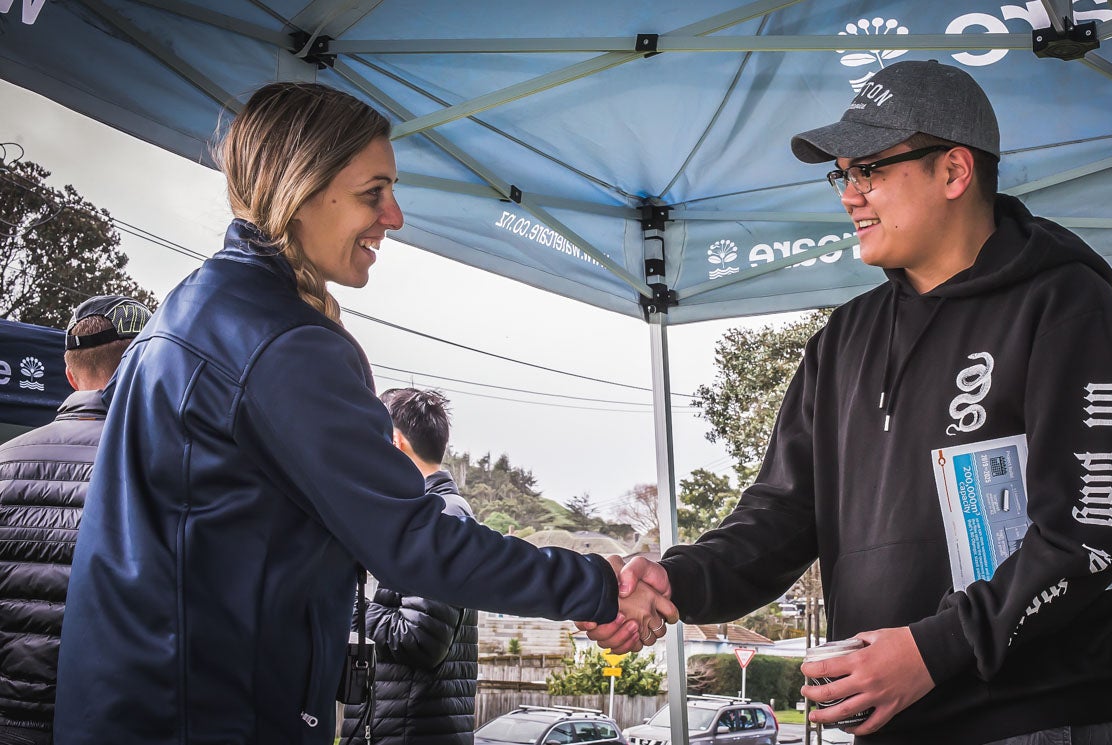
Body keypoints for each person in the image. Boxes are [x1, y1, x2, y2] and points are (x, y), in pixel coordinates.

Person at [53, 82, 673, 745]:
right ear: (303, 188)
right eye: (373, 191)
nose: (395, 216)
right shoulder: (279, 342)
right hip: (207, 716)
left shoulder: (191, 311)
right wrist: (598, 584)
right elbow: (410, 541)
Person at [584, 60, 1112, 745]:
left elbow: (1088, 533)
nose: (850, 195)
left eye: (871, 170)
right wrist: (672, 578)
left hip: (1039, 722)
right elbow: (777, 519)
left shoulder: (1065, 304)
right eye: (843, 174)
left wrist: (932, 651)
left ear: (954, 172)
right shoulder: (842, 339)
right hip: (887, 727)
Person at [0, 295, 152, 745]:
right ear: (144, 366)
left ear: (69, 374)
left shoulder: (5, 461)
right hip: (109, 720)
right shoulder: (160, 467)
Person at [340, 387, 478, 745]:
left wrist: (346, 609)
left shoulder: (440, 518)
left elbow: (419, 638)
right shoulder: (428, 515)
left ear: (396, 443)